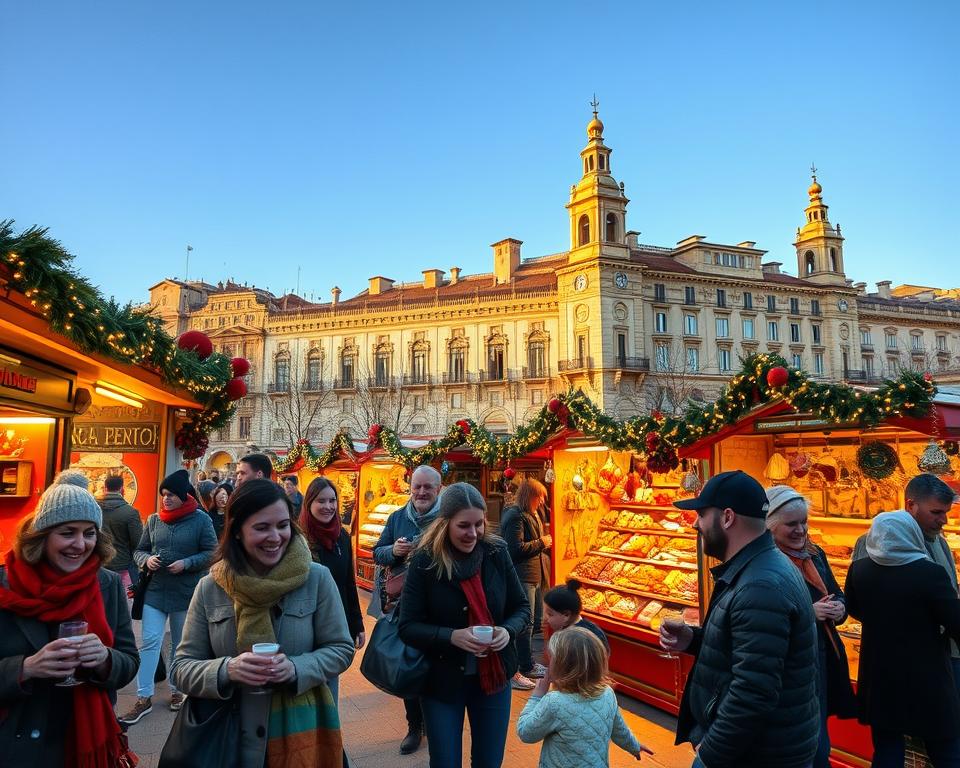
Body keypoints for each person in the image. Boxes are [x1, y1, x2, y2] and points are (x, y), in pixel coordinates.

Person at [171, 479, 355, 768]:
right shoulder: (210, 587)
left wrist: (296, 668)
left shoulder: (316, 578)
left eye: (282, 525)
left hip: (301, 732)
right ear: (237, 532)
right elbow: (181, 668)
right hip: (228, 737)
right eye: (261, 527)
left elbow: (341, 648)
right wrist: (227, 669)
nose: (275, 537)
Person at [659, 470, 819, 768]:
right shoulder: (759, 568)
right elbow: (753, 652)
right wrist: (694, 639)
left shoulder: (760, 585)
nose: (696, 524)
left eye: (702, 514)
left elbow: (753, 691)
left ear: (728, 517)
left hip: (757, 755)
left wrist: (710, 755)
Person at [0, 476, 139, 765]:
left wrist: (104, 659)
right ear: (42, 535)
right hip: (15, 739)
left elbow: (128, 662)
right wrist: (25, 668)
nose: (80, 544)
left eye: (89, 533)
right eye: (68, 532)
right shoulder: (5, 584)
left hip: (85, 742)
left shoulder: (107, 584)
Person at [398, 482, 530, 768]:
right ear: (445, 523)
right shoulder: (425, 560)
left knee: (488, 761)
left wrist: (506, 631)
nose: (473, 534)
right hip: (442, 681)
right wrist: (451, 636)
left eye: (479, 524)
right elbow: (407, 626)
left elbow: (521, 608)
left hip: (494, 679)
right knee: (445, 761)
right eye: (464, 526)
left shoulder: (496, 552)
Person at [845, 510, 960, 766]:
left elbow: (853, 609)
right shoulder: (929, 573)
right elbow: (955, 621)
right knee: (946, 750)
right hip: (927, 676)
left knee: (886, 750)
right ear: (912, 533)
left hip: (879, 675)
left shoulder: (860, 569)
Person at [765, 485, 856, 768]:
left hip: (821, 657)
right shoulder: (765, 562)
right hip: (789, 665)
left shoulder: (814, 554)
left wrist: (840, 607)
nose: (801, 530)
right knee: (807, 745)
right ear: (770, 525)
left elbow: (835, 593)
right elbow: (764, 618)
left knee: (819, 740)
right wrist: (809, 612)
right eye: (792, 524)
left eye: (804, 522)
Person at [119, 469, 218, 725]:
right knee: (150, 641)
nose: (166, 499)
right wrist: (146, 560)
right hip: (155, 591)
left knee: (179, 644)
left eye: (171, 495)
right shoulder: (153, 520)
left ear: (184, 496)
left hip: (186, 593)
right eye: (163, 494)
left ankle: (177, 690)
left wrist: (187, 563)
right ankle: (143, 697)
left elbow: (211, 553)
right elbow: (139, 550)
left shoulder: (201, 520)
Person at [853, 473, 960, 690]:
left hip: (944, 652)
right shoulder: (874, 542)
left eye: (946, 512)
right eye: (936, 512)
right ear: (911, 505)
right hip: (896, 661)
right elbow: (865, 603)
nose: (944, 520)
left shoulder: (939, 541)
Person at [372, 464, 442, 755]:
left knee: (437, 668)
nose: (422, 492)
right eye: (417, 487)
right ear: (410, 488)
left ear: (438, 489)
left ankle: (437, 723)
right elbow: (378, 551)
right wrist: (394, 552)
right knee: (409, 663)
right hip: (406, 607)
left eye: (428, 487)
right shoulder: (398, 517)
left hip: (440, 606)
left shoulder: (448, 517)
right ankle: (415, 726)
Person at [517, 627, 652, 766]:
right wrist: (634, 746)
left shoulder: (555, 703)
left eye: (552, 660)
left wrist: (537, 697)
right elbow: (618, 729)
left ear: (563, 668)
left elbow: (526, 733)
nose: (548, 665)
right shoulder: (607, 694)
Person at [300, 476, 365, 704]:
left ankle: (330, 736)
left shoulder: (342, 537)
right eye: (321, 501)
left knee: (330, 684)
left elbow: (349, 582)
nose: (328, 507)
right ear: (309, 503)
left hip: (335, 622)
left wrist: (356, 624)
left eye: (332, 501)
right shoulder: (299, 539)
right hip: (305, 621)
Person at [500, 477, 553, 690]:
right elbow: (515, 549)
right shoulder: (514, 516)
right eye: (540, 497)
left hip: (535, 575)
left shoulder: (532, 514)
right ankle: (516, 668)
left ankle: (526, 663)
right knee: (523, 622)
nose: (541, 502)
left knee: (533, 622)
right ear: (531, 496)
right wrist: (542, 542)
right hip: (522, 576)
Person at [98, 473, 144, 590]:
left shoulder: (95, 508)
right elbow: (138, 542)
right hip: (122, 566)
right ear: (122, 489)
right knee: (121, 602)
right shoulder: (130, 512)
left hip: (98, 563)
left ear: (105, 488)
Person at [542, 578, 609, 652]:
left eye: (550, 614)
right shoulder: (594, 629)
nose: (545, 618)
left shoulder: (571, 640)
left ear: (566, 615)